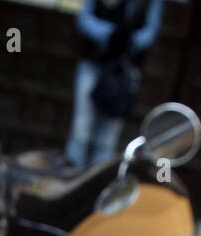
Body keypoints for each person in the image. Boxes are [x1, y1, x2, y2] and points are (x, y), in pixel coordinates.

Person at [63, 0, 164, 170]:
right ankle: (72, 173)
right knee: (82, 126)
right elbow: (84, 19)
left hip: (125, 69)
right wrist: (110, 34)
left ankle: (97, 178)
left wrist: (129, 40)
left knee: (108, 135)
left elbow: (150, 31)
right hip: (95, 61)